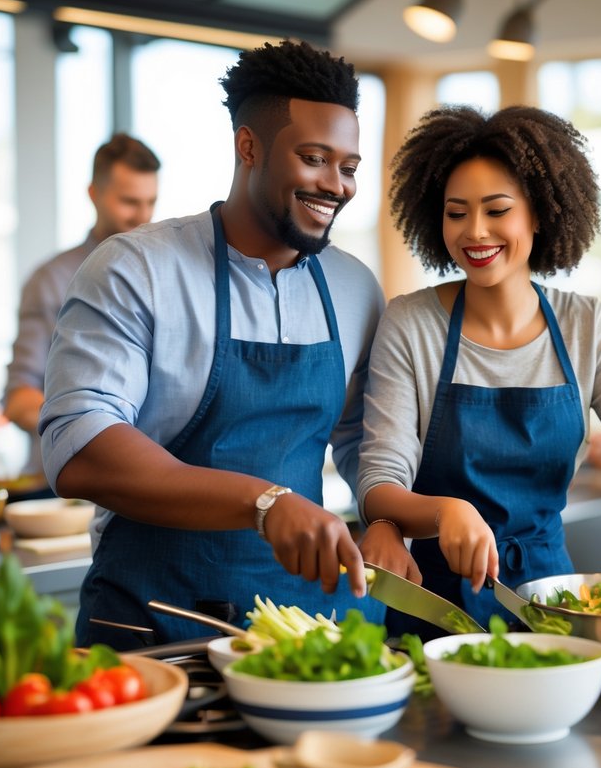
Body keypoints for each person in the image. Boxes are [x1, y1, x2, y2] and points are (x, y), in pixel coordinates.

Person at [40, 40, 386, 648]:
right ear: (247, 147)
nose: (336, 185)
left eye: (350, 167)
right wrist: (264, 502)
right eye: (314, 158)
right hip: (153, 623)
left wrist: (386, 519)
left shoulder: (355, 288)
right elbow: (80, 448)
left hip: (300, 626)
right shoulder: (134, 269)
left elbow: (367, 439)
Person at [357, 106, 601, 634]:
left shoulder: (587, 325)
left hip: (552, 603)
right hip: (435, 607)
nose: (475, 232)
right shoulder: (411, 323)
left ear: (538, 212)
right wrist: (445, 513)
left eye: (496, 210)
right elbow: (379, 482)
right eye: (457, 212)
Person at [3, 133, 160, 482]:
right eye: (129, 202)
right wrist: (89, 432)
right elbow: (18, 398)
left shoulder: (166, 278)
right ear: (94, 194)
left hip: (147, 483)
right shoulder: (52, 280)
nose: (143, 216)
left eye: (151, 202)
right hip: (65, 487)